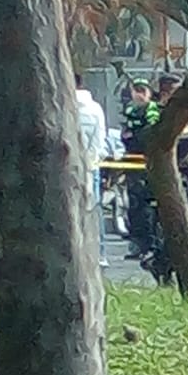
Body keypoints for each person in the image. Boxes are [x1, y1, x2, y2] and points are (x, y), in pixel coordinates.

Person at [121, 79, 160, 258]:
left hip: (147, 165)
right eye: (136, 90)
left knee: (147, 207)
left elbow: (151, 132)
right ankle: (137, 244)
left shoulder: (152, 109)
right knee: (134, 205)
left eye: (143, 90)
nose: (139, 94)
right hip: (133, 165)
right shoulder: (130, 109)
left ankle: (150, 244)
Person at [74, 76, 108, 267]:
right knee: (93, 210)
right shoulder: (95, 108)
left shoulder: (64, 107)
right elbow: (99, 140)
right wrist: (91, 163)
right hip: (90, 167)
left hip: (67, 168)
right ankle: (99, 252)